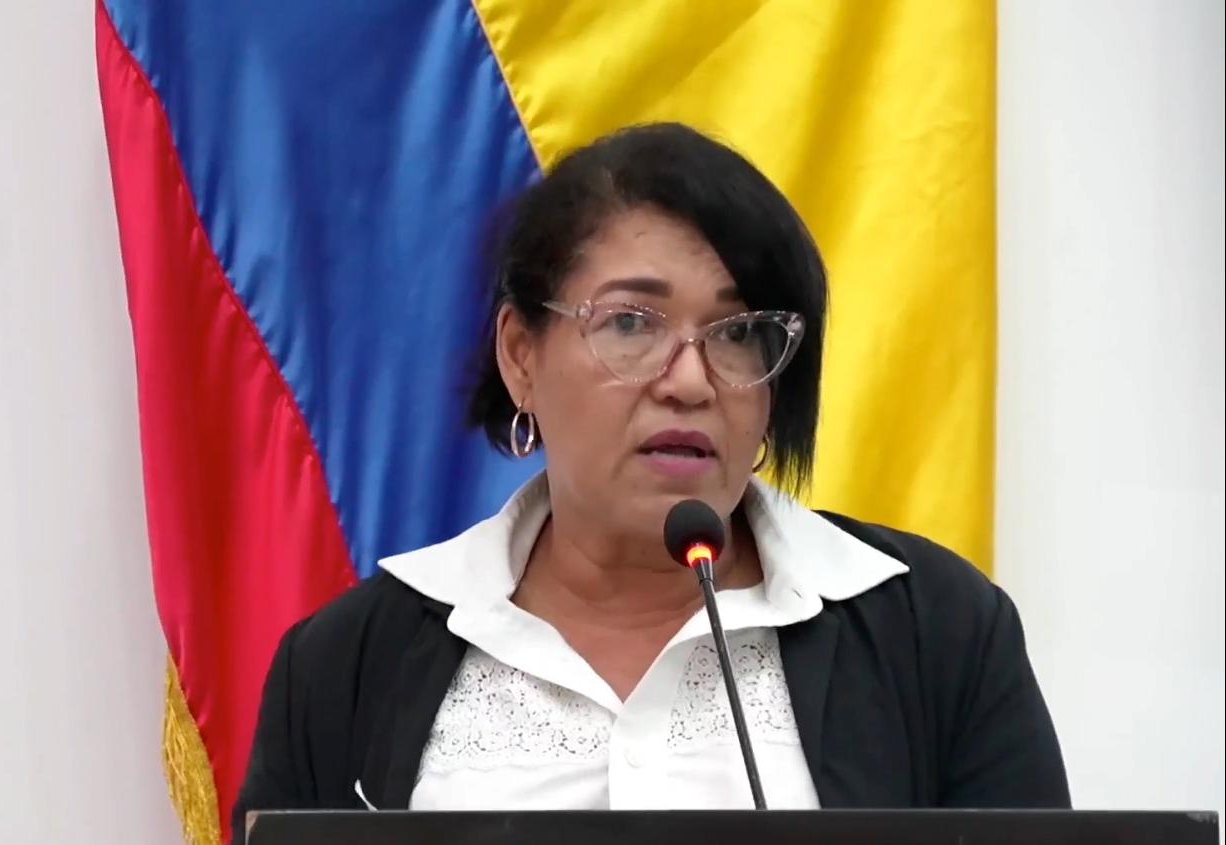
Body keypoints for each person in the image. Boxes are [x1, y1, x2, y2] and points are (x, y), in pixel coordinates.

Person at [233, 122, 1069, 829]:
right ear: (521, 355)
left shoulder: (935, 632)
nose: (692, 379)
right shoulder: (347, 665)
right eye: (631, 322)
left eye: (738, 333)